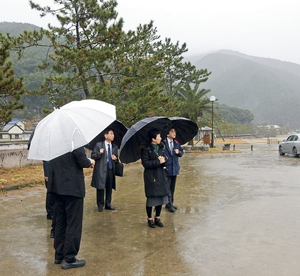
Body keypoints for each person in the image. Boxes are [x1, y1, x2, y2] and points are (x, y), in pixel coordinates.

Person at [48, 147, 95, 270]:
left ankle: (59, 255)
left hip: (57, 187)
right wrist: (90, 161)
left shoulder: (55, 141)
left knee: (60, 222)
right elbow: (82, 160)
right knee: (73, 223)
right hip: (72, 188)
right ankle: (69, 258)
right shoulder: (73, 140)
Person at [141, 128, 169, 228]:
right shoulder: (146, 149)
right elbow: (145, 163)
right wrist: (158, 162)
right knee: (151, 198)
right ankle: (150, 218)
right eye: (158, 136)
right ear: (153, 138)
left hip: (160, 175)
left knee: (160, 197)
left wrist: (164, 160)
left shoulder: (161, 147)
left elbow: (165, 158)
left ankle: (157, 217)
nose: (160, 138)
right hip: (151, 176)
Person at [91, 129, 119, 212]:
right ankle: (100, 204)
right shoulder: (99, 145)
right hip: (101, 169)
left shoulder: (114, 146)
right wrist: (99, 153)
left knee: (109, 186)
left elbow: (117, 159)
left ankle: (108, 203)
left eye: (113, 134)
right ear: (106, 136)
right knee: (100, 187)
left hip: (110, 169)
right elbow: (93, 155)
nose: (113, 135)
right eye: (111, 134)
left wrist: (115, 159)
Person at [163, 127, 184, 212]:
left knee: (172, 187)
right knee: (167, 187)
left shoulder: (176, 142)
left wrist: (178, 152)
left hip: (174, 168)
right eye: (172, 132)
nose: (174, 133)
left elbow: (181, 152)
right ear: (168, 134)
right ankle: (168, 203)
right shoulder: (163, 143)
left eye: (175, 131)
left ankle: (170, 202)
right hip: (167, 168)